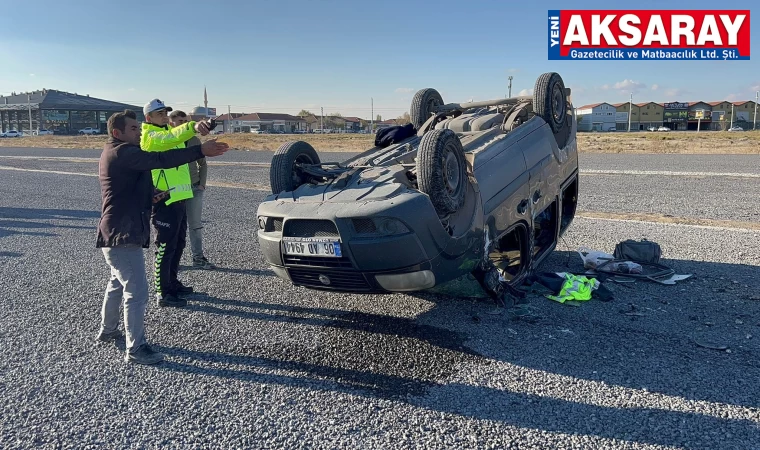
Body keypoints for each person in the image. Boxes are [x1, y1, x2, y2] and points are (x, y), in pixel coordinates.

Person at [96, 109, 229, 365]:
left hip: (115, 231)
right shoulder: (122, 152)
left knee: (117, 281)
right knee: (136, 292)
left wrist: (151, 195)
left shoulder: (116, 152)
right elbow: (161, 159)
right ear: (118, 133)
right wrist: (201, 150)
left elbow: (127, 187)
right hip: (123, 233)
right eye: (134, 129)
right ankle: (136, 349)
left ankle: (108, 329)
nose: (139, 131)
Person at [141, 99, 213, 308]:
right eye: (159, 114)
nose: (164, 116)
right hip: (164, 200)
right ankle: (162, 292)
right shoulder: (151, 136)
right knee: (164, 247)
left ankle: (172, 283)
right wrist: (192, 126)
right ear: (149, 118)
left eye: (165, 112)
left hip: (179, 197)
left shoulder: (165, 133)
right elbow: (171, 136)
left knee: (178, 244)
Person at [169, 110, 216, 269]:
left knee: (195, 225)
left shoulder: (194, 141)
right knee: (174, 227)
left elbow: (202, 164)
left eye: (185, 121)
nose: (183, 124)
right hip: (174, 190)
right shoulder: (168, 142)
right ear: (171, 124)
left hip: (194, 188)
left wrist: (202, 184)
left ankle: (198, 258)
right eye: (179, 121)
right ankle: (172, 261)